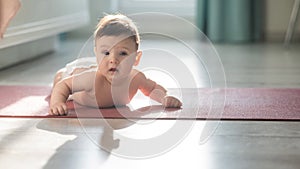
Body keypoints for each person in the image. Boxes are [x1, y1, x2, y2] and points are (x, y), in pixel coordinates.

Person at [49, 14, 182, 116]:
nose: (113, 59)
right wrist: (57, 103)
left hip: (96, 67)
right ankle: (63, 72)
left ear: (136, 58)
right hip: (76, 72)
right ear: (97, 53)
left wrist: (165, 97)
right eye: (106, 52)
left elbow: (153, 88)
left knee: (99, 65)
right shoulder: (91, 80)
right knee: (59, 79)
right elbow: (64, 85)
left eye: (123, 53)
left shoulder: (136, 78)